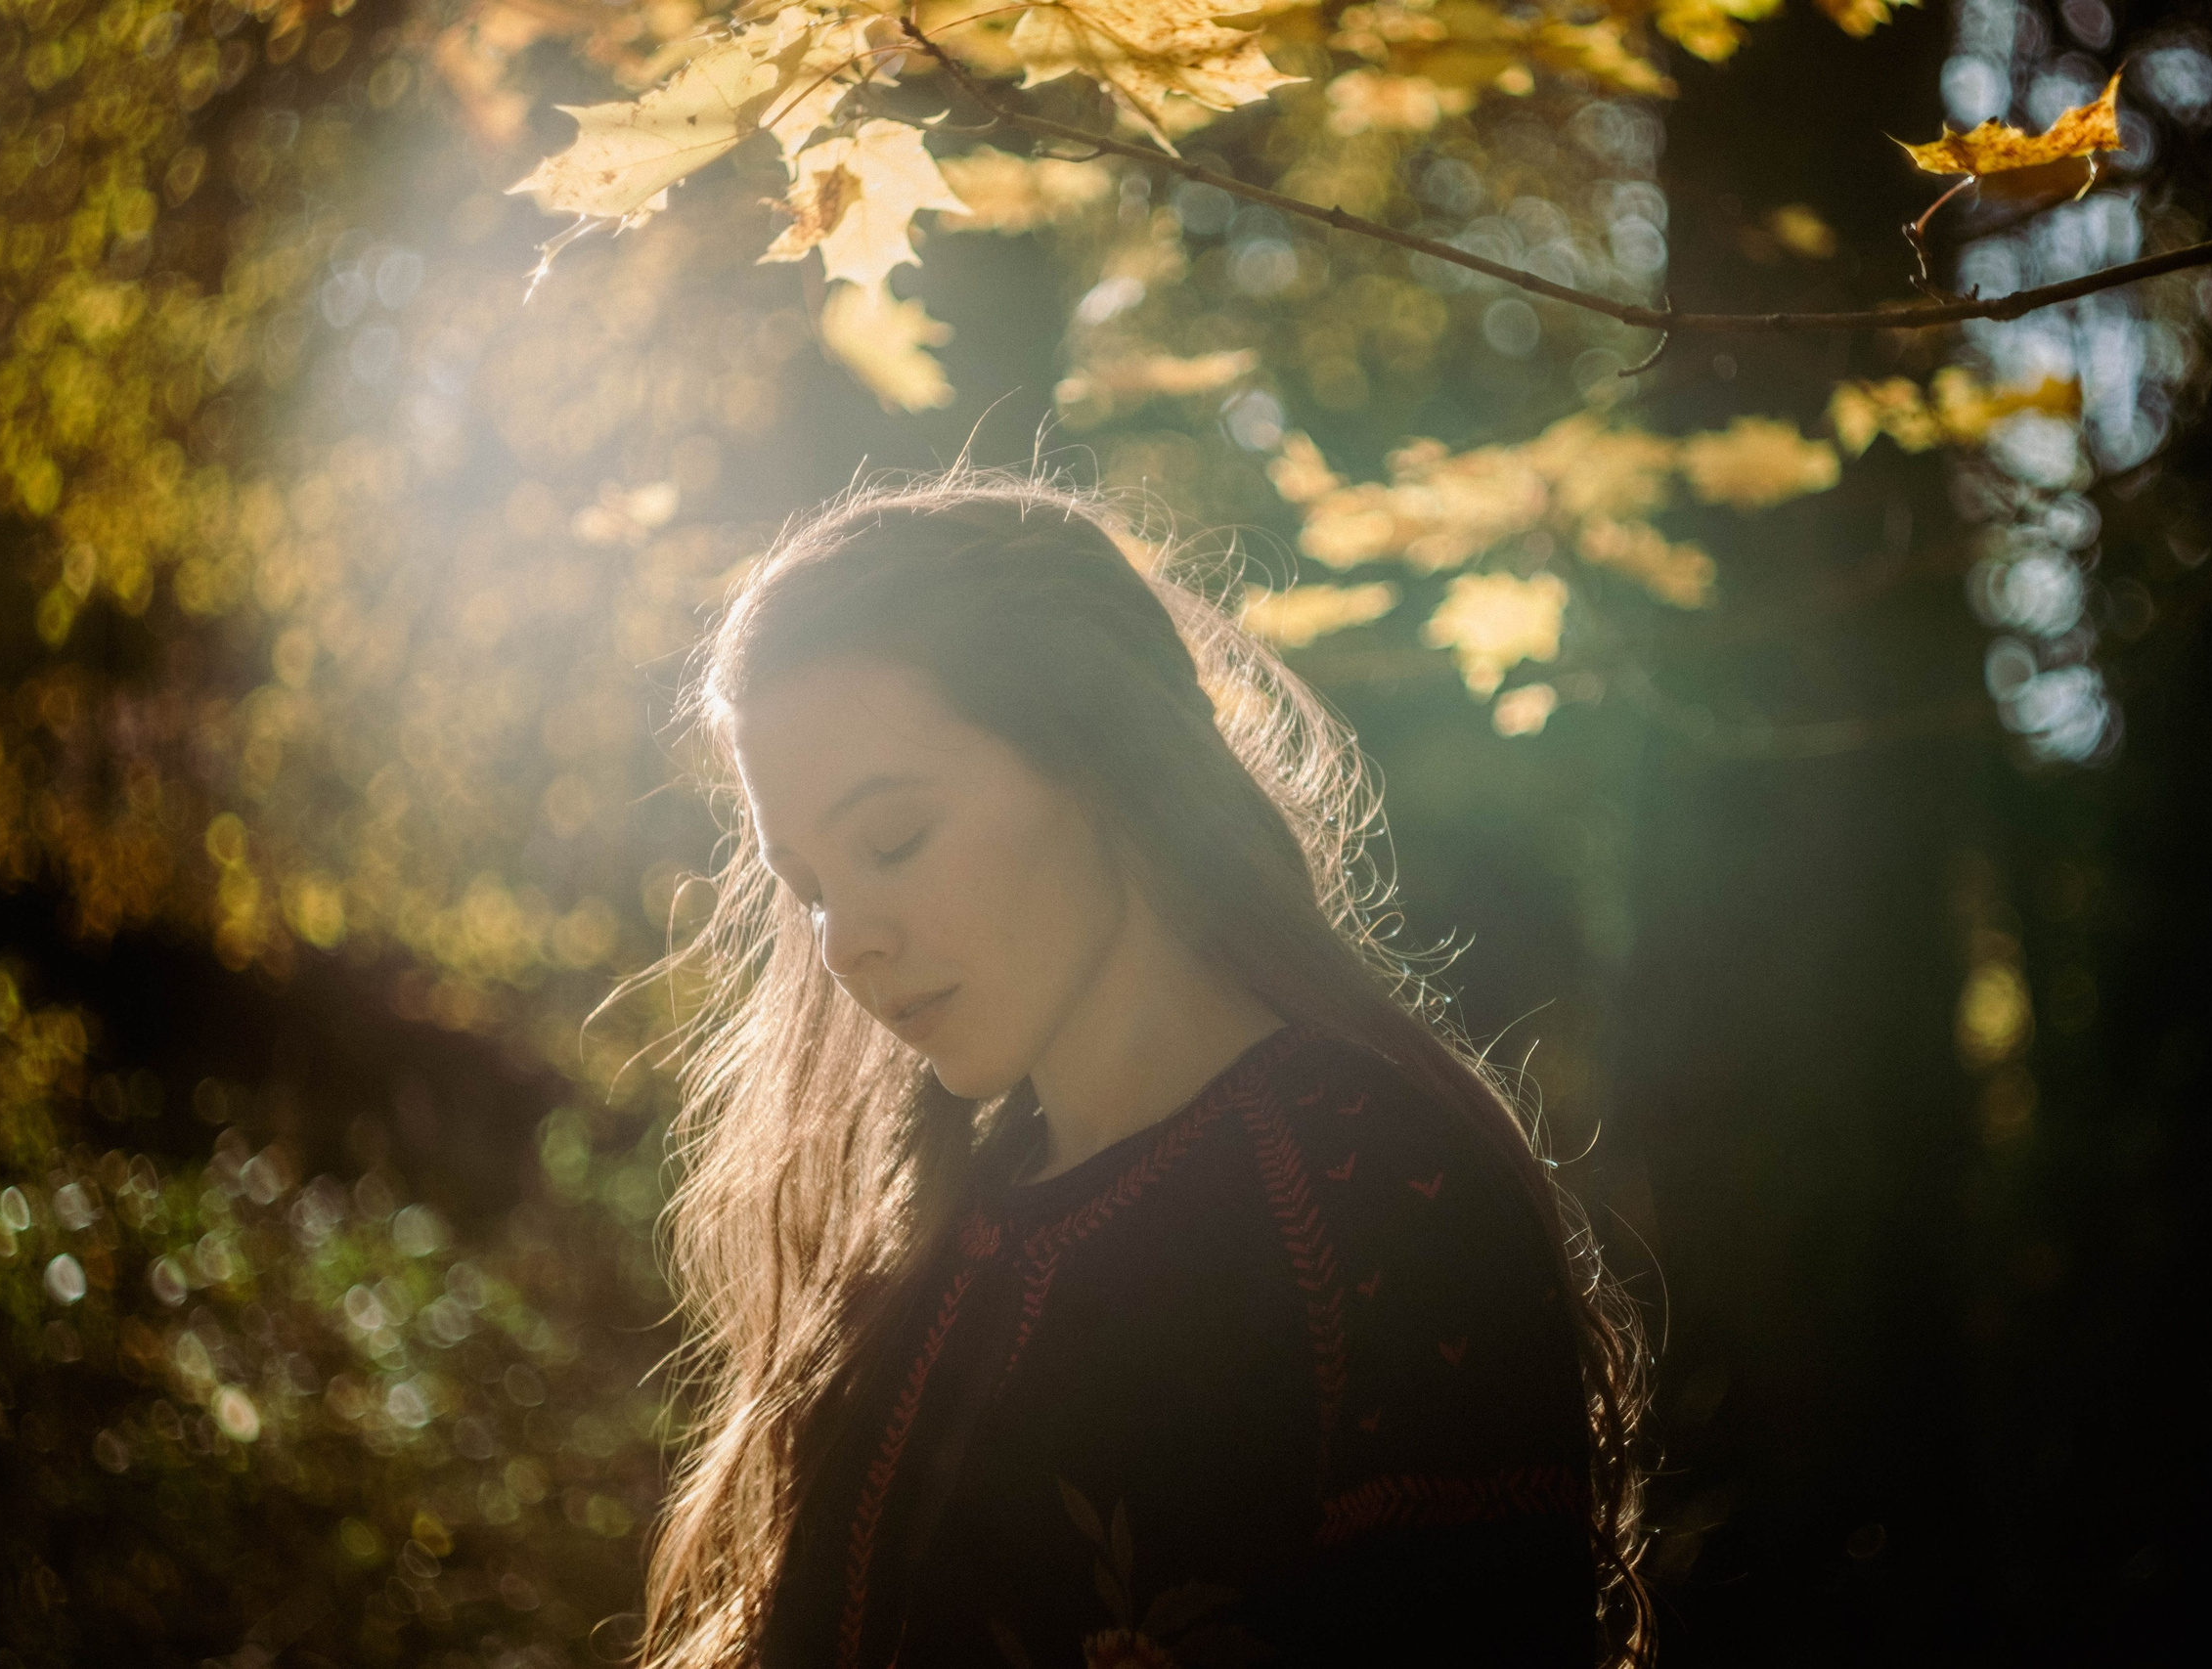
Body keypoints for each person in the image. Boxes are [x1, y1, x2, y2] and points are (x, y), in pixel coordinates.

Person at [628, 470, 1651, 1669]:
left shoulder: (1378, 1200)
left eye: (893, 839)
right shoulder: (914, 1240)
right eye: (805, 887)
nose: (843, 942)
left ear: (1102, 754)